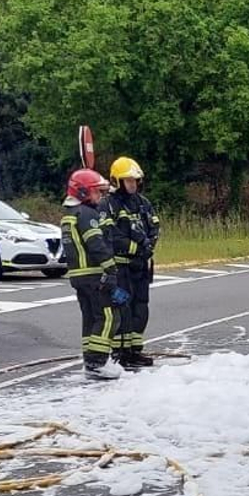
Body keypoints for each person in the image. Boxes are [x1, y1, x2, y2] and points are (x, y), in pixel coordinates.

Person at [61, 169, 122, 381]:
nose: (100, 197)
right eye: (97, 192)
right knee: (108, 317)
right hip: (94, 275)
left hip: (79, 277)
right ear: (84, 192)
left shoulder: (70, 215)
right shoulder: (87, 215)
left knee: (90, 319)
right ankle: (97, 363)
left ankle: (89, 361)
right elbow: (96, 245)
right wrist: (111, 268)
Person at [104, 156, 160, 369]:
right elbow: (113, 236)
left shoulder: (143, 203)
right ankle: (120, 352)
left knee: (141, 307)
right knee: (122, 309)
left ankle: (135, 350)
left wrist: (148, 247)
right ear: (117, 181)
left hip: (141, 267)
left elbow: (155, 226)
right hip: (121, 268)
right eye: (128, 181)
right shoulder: (109, 205)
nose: (133, 184)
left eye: (135, 181)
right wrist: (137, 248)